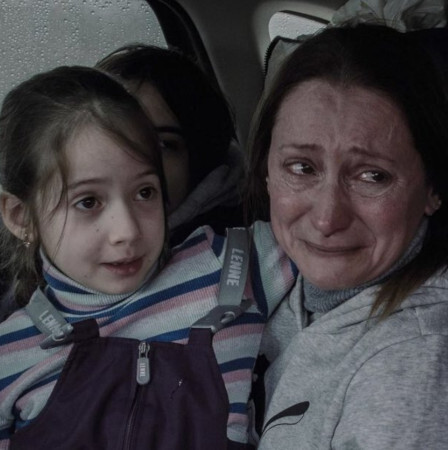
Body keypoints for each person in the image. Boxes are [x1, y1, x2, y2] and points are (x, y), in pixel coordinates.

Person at [0, 66, 294, 449]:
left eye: (145, 192)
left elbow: (339, 237)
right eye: (88, 202)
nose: (127, 231)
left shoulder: (230, 267)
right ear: (21, 218)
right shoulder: (8, 355)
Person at [247, 25, 448, 448]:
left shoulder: (408, 363)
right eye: (302, 167)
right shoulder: (264, 271)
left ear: (433, 188)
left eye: (372, 176)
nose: (326, 219)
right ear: (266, 170)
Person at [97, 44, 243, 246]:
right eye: (113, 136)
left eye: (163, 144)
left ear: (200, 165)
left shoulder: (225, 254)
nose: (132, 157)